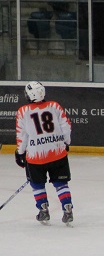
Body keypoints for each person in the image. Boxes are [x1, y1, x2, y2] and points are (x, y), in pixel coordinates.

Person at [14, 81, 74, 226]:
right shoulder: (55, 106)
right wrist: (66, 143)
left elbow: (22, 136)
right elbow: (66, 127)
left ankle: (43, 210)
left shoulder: (23, 111)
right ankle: (67, 208)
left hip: (35, 157)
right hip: (57, 153)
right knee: (61, 183)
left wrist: (20, 153)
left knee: (37, 184)